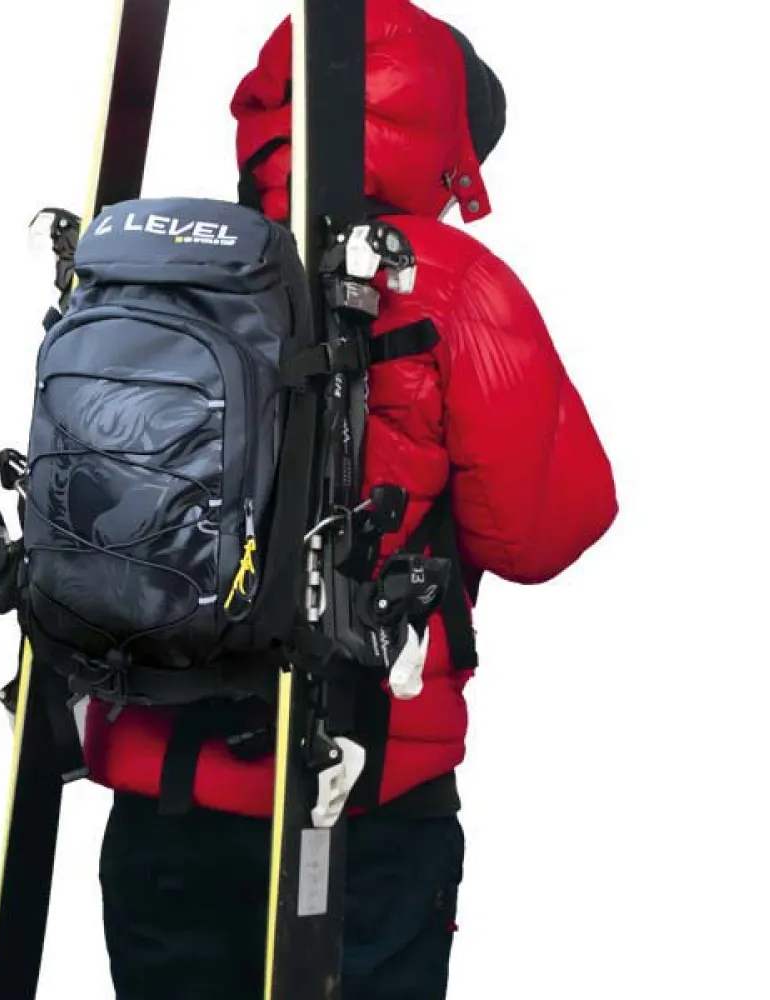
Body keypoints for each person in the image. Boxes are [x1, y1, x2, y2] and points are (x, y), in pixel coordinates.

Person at [83, 2, 618, 997]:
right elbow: (546, 531)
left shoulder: (150, 265)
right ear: (446, 141)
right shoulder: (450, 281)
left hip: (157, 783)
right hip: (356, 792)